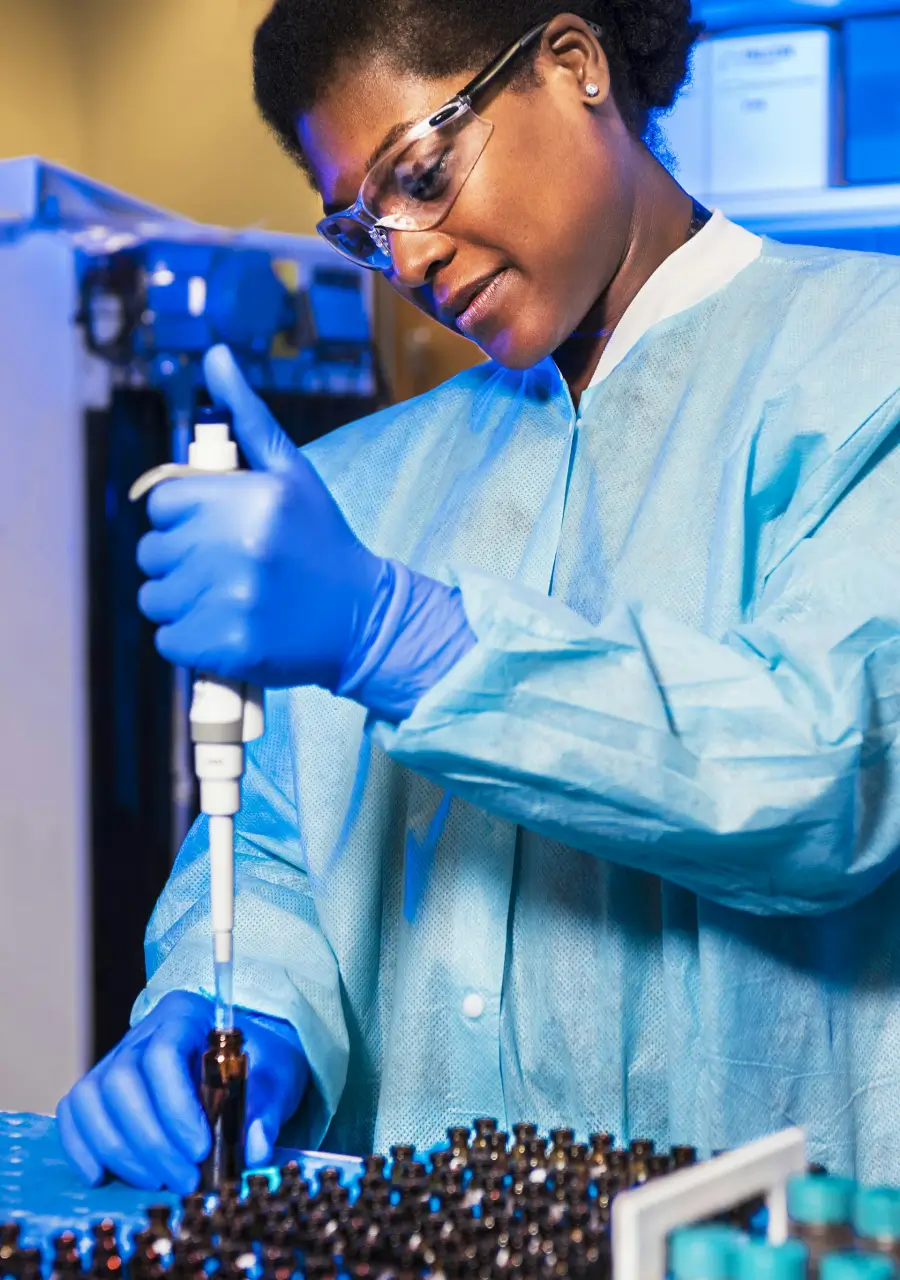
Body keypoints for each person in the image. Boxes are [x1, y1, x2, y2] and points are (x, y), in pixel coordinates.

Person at [58, 0, 900, 1194]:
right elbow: (290, 844)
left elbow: (829, 771)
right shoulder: (360, 481)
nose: (405, 260)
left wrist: (401, 637)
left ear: (575, 65)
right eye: (360, 228)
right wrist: (230, 998)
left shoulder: (870, 369)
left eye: (422, 174)